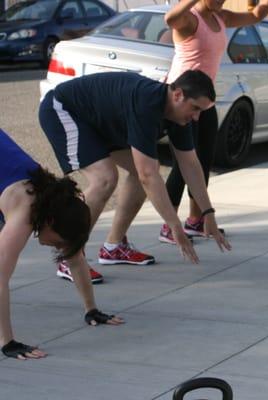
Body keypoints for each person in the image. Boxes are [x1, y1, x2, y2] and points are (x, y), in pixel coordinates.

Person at [38, 70, 231, 284]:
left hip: (102, 121)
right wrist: (174, 225)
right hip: (64, 109)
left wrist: (208, 213)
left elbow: (191, 165)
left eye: (201, 111)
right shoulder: (146, 104)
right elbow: (147, 175)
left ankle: (114, 246)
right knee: (105, 178)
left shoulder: (178, 116)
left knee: (147, 168)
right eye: (195, 108)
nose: (196, 117)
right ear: (177, 95)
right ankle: (71, 255)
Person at [159, 0, 268, 244]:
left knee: (203, 161)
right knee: (183, 164)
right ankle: (168, 226)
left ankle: (195, 220)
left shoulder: (221, 16)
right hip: (182, 102)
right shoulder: (190, 18)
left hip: (204, 102)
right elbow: (170, 20)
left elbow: (256, 14)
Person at [0, 128, 122, 360]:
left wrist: (91, 309)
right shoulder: (23, 213)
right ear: (50, 222)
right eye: (58, 243)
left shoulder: (57, 202)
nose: (56, 247)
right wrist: (8, 343)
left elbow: (75, 258)